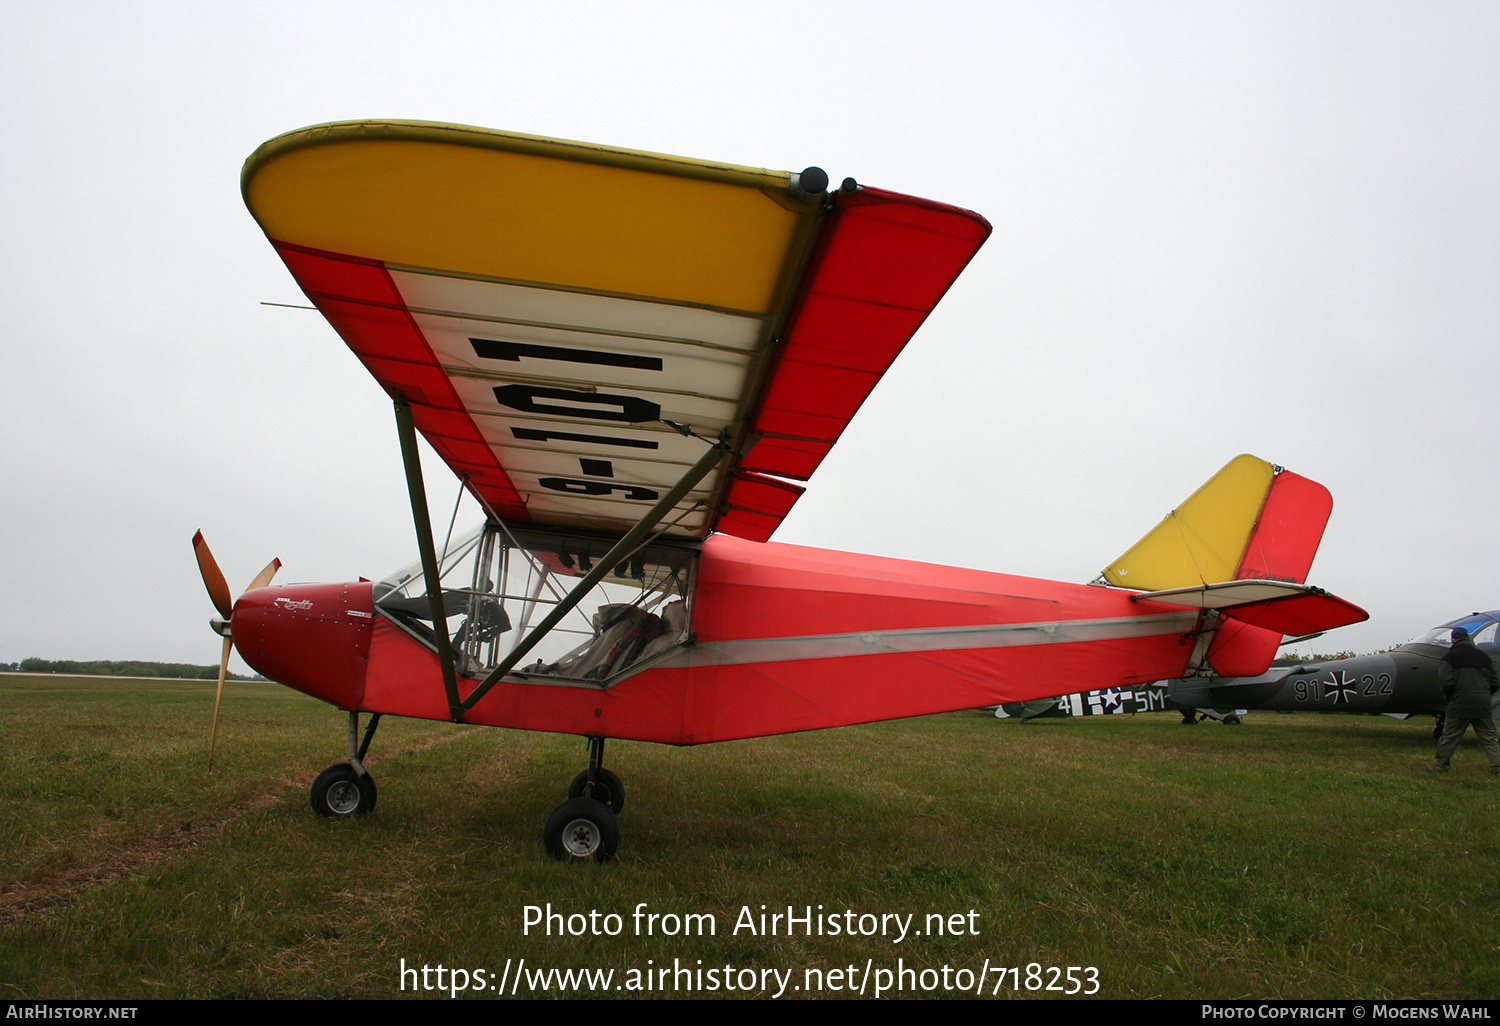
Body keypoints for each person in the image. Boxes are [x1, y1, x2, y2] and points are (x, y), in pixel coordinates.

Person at [1427, 627, 1500, 774]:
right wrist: (1485, 694)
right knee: (1489, 737)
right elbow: (1495, 681)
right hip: (1483, 702)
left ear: (1453, 639)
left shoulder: (1450, 657)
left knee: (1450, 736)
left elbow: (1446, 682)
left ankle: (1441, 767)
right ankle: (1497, 768)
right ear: (1467, 638)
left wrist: (1449, 698)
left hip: (1459, 702)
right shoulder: (1484, 657)